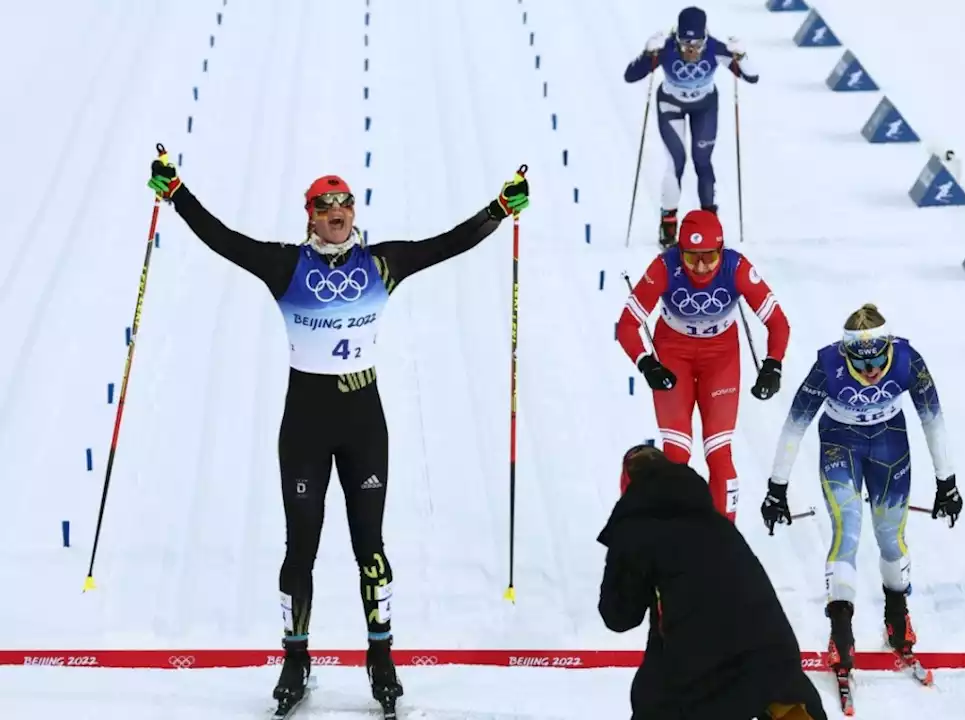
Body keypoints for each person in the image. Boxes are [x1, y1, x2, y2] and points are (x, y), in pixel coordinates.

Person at [145, 156, 530, 715]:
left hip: (362, 425)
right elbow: (223, 239)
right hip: (305, 424)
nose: (336, 213)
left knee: (369, 546)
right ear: (309, 217)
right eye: (324, 206)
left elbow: (447, 243)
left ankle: (381, 658)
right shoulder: (285, 266)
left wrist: (499, 209)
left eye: (344, 203)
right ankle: (295, 660)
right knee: (300, 547)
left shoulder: (382, 264)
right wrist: (176, 192)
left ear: (354, 211)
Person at [759, 304, 963, 712]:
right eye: (860, 361)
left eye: (877, 361)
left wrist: (948, 481)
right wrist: (776, 487)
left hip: (890, 441)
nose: (871, 370)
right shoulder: (828, 365)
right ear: (846, 353)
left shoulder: (907, 360)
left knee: (891, 536)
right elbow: (794, 425)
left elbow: (933, 420)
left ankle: (897, 615)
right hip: (840, 441)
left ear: (889, 349)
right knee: (847, 530)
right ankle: (841, 632)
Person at [598, 444, 828, 720]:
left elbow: (618, 616)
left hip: (703, 676)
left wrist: (624, 559)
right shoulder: (717, 524)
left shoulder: (634, 530)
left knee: (656, 701)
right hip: (777, 665)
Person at [616, 209, 789, 523]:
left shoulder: (736, 268)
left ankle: (724, 545)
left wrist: (773, 364)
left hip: (720, 358)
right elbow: (627, 324)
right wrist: (647, 364)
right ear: (678, 251)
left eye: (709, 257)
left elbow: (778, 322)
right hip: (673, 354)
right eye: (692, 257)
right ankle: (671, 542)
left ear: (721, 250)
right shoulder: (664, 267)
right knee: (676, 455)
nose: (701, 266)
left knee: (719, 453)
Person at [624, 5, 759, 247]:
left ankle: (710, 222)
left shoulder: (716, 48)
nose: (691, 51)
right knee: (676, 162)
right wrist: (647, 55)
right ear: (677, 39)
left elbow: (752, 77)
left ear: (705, 38)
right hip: (670, 105)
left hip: (704, 107)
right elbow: (631, 76)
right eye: (686, 44)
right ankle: (668, 223)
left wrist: (741, 56)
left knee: (703, 162)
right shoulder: (665, 49)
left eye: (697, 45)